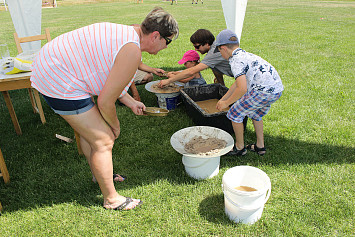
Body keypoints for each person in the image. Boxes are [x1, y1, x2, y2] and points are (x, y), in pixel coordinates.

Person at [30, 7, 179, 210]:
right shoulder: (132, 51)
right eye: (167, 41)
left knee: (91, 134)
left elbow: (108, 80)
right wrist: (114, 126)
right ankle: (111, 199)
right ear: (155, 36)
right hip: (59, 80)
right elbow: (105, 102)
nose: (166, 46)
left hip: (53, 68)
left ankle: (100, 175)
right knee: (104, 140)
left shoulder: (129, 34)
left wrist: (131, 101)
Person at [214, 29, 284, 156]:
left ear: (223, 48)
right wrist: (224, 99)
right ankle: (259, 146)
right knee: (256, 113)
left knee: (234, 113)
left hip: (261, 91)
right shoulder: (246, 55)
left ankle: (239, 148)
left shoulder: (235, 61)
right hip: (276, 90)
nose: (220, 54)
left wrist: (227, 104)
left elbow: (242, 89)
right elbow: (236, 84)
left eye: (219, 51)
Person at [159, 29, 233, 87]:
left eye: (197, 46)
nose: (196, 49)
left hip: (242, 75)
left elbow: (191, 71)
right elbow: (215, 67)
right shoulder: (215, 46)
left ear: (207, 44)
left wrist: (169, 80)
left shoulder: (213, 53)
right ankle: (221, 88)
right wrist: (219, 82)